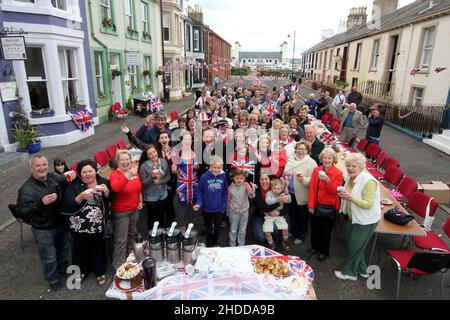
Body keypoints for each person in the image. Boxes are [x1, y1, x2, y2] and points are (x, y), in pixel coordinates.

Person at [17, 155, 70, 291]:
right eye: (38, 165)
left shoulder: (53, 177)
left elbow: (66, 182)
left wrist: (73, 175)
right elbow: (22, 213)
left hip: (60, 223)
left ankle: (63, 269)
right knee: (49, 256)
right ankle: (53, 279)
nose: (42, 168)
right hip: (43, 229)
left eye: (44, 164)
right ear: (31, 168)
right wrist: (40, 204)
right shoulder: (25, 190)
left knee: (63, 249)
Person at [62, 159, 112, 286]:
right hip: (79, 226)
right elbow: (67, 205)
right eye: (84, 172)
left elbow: (112, 198)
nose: (88, 174)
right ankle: (82, 271)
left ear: (96, 171)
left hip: (97, 225)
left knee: (98, 248)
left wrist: (106, 192)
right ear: (79, 173)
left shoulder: (103, 182)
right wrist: (81, 197)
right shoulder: (74, 185)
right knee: (80, 249)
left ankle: (99, 271)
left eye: (91, 171)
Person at [335, 153, 381, 281]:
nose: (350, 168)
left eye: (354, 166)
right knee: (356, 245)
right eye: (348, 166)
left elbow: (368, 204)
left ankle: (350, 273)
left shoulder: (368, 181)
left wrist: (350, 198)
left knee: (354, 247)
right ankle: (363, 270)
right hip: (353, 217)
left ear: (361, 167)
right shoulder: (351, 177)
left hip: (365, 220)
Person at [307, 148, 343, 261]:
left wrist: (327, 180)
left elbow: (335, 191)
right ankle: (315, 247)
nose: (326, 160)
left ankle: (324, 252)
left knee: (326, 231)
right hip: (317, 205)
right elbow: (312, 188)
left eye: (329, 158)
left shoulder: (338, 173)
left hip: (329, 207)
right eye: (325, 157)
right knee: (314, 229)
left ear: (334, 159)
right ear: (321, 158)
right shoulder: (316, 170)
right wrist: (311, 206)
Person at [109, 150, 143, 270]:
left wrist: (140, 200)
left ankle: (129, 260)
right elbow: (116, 188)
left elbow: (138, 187)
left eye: (127, 159)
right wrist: (128, 175)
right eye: (122, 160)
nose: (125, 162)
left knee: (131, 236)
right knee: (121, 240)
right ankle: (118, 266)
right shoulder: (115, 175)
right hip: (121, 212)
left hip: (134, 209)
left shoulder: (133, 171)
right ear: (117, 161)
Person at [284, 141, 318, 245]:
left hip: (302, 194)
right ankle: (293, 231)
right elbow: (285, 174)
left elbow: (313, 180)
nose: (301, 150)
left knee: (302, 216)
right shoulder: (290, 159)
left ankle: (301, 235)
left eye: (303, 149)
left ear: (307, 150)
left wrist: (303, 179)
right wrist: (284, 186)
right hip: (290, 192)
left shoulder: (311, 163)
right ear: (296, 149)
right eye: (299, 148)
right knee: (292, 214)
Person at [193, 156, 228, 248]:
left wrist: (224, 206)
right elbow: (199, 191)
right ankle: (209, 245)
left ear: (222, 167)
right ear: (210, 166)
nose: (216, 170)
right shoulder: (204, 177)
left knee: (217, 229)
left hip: (219, 208)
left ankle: (215, 242)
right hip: (207, 209)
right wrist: (199, 203)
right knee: (208, 229)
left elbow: (225, 191)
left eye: (219, 168)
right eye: (214, 167)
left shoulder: (223, 176)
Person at [139, 145, 171, 230]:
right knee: (152, 217)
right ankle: (152, 235)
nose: (153, 155)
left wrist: (160, 182)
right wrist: (151, 177)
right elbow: (143, 183)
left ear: (157, 152)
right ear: (147, 156)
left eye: (154, 152)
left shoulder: (163, 162)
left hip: (163, 194)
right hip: (150, 196)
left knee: (161, 214)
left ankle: (163, 232)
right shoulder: (143, 167)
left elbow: (168, 177)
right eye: (150, 154)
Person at [227, 169, 256, 247]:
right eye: (237, 178)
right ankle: (232, 244)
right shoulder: (230, 188)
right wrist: (228, 210)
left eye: (241, 178)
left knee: (242, 230)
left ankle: (241, 245)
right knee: (233, 229)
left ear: (244, 178)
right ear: (233, 178)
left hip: (244, 211)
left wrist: (252, 193)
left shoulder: (246, 185)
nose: (239, 180)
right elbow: (228, 200)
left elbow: (250, 195)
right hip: (234, 211)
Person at [264, 179, 291, 251]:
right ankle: (271, 244)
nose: (276, 190)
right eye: (274, 188)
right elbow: (267, 201)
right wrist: (277, 200)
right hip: (269, 216)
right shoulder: (269, 193)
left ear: (281, 189)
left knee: (285, 227)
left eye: (278, 188)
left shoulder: (282, 194)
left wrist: (286, 195)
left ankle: (285, 240)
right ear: (271, 188)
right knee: (267, 232)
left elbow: (289, 200)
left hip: (279, 216)